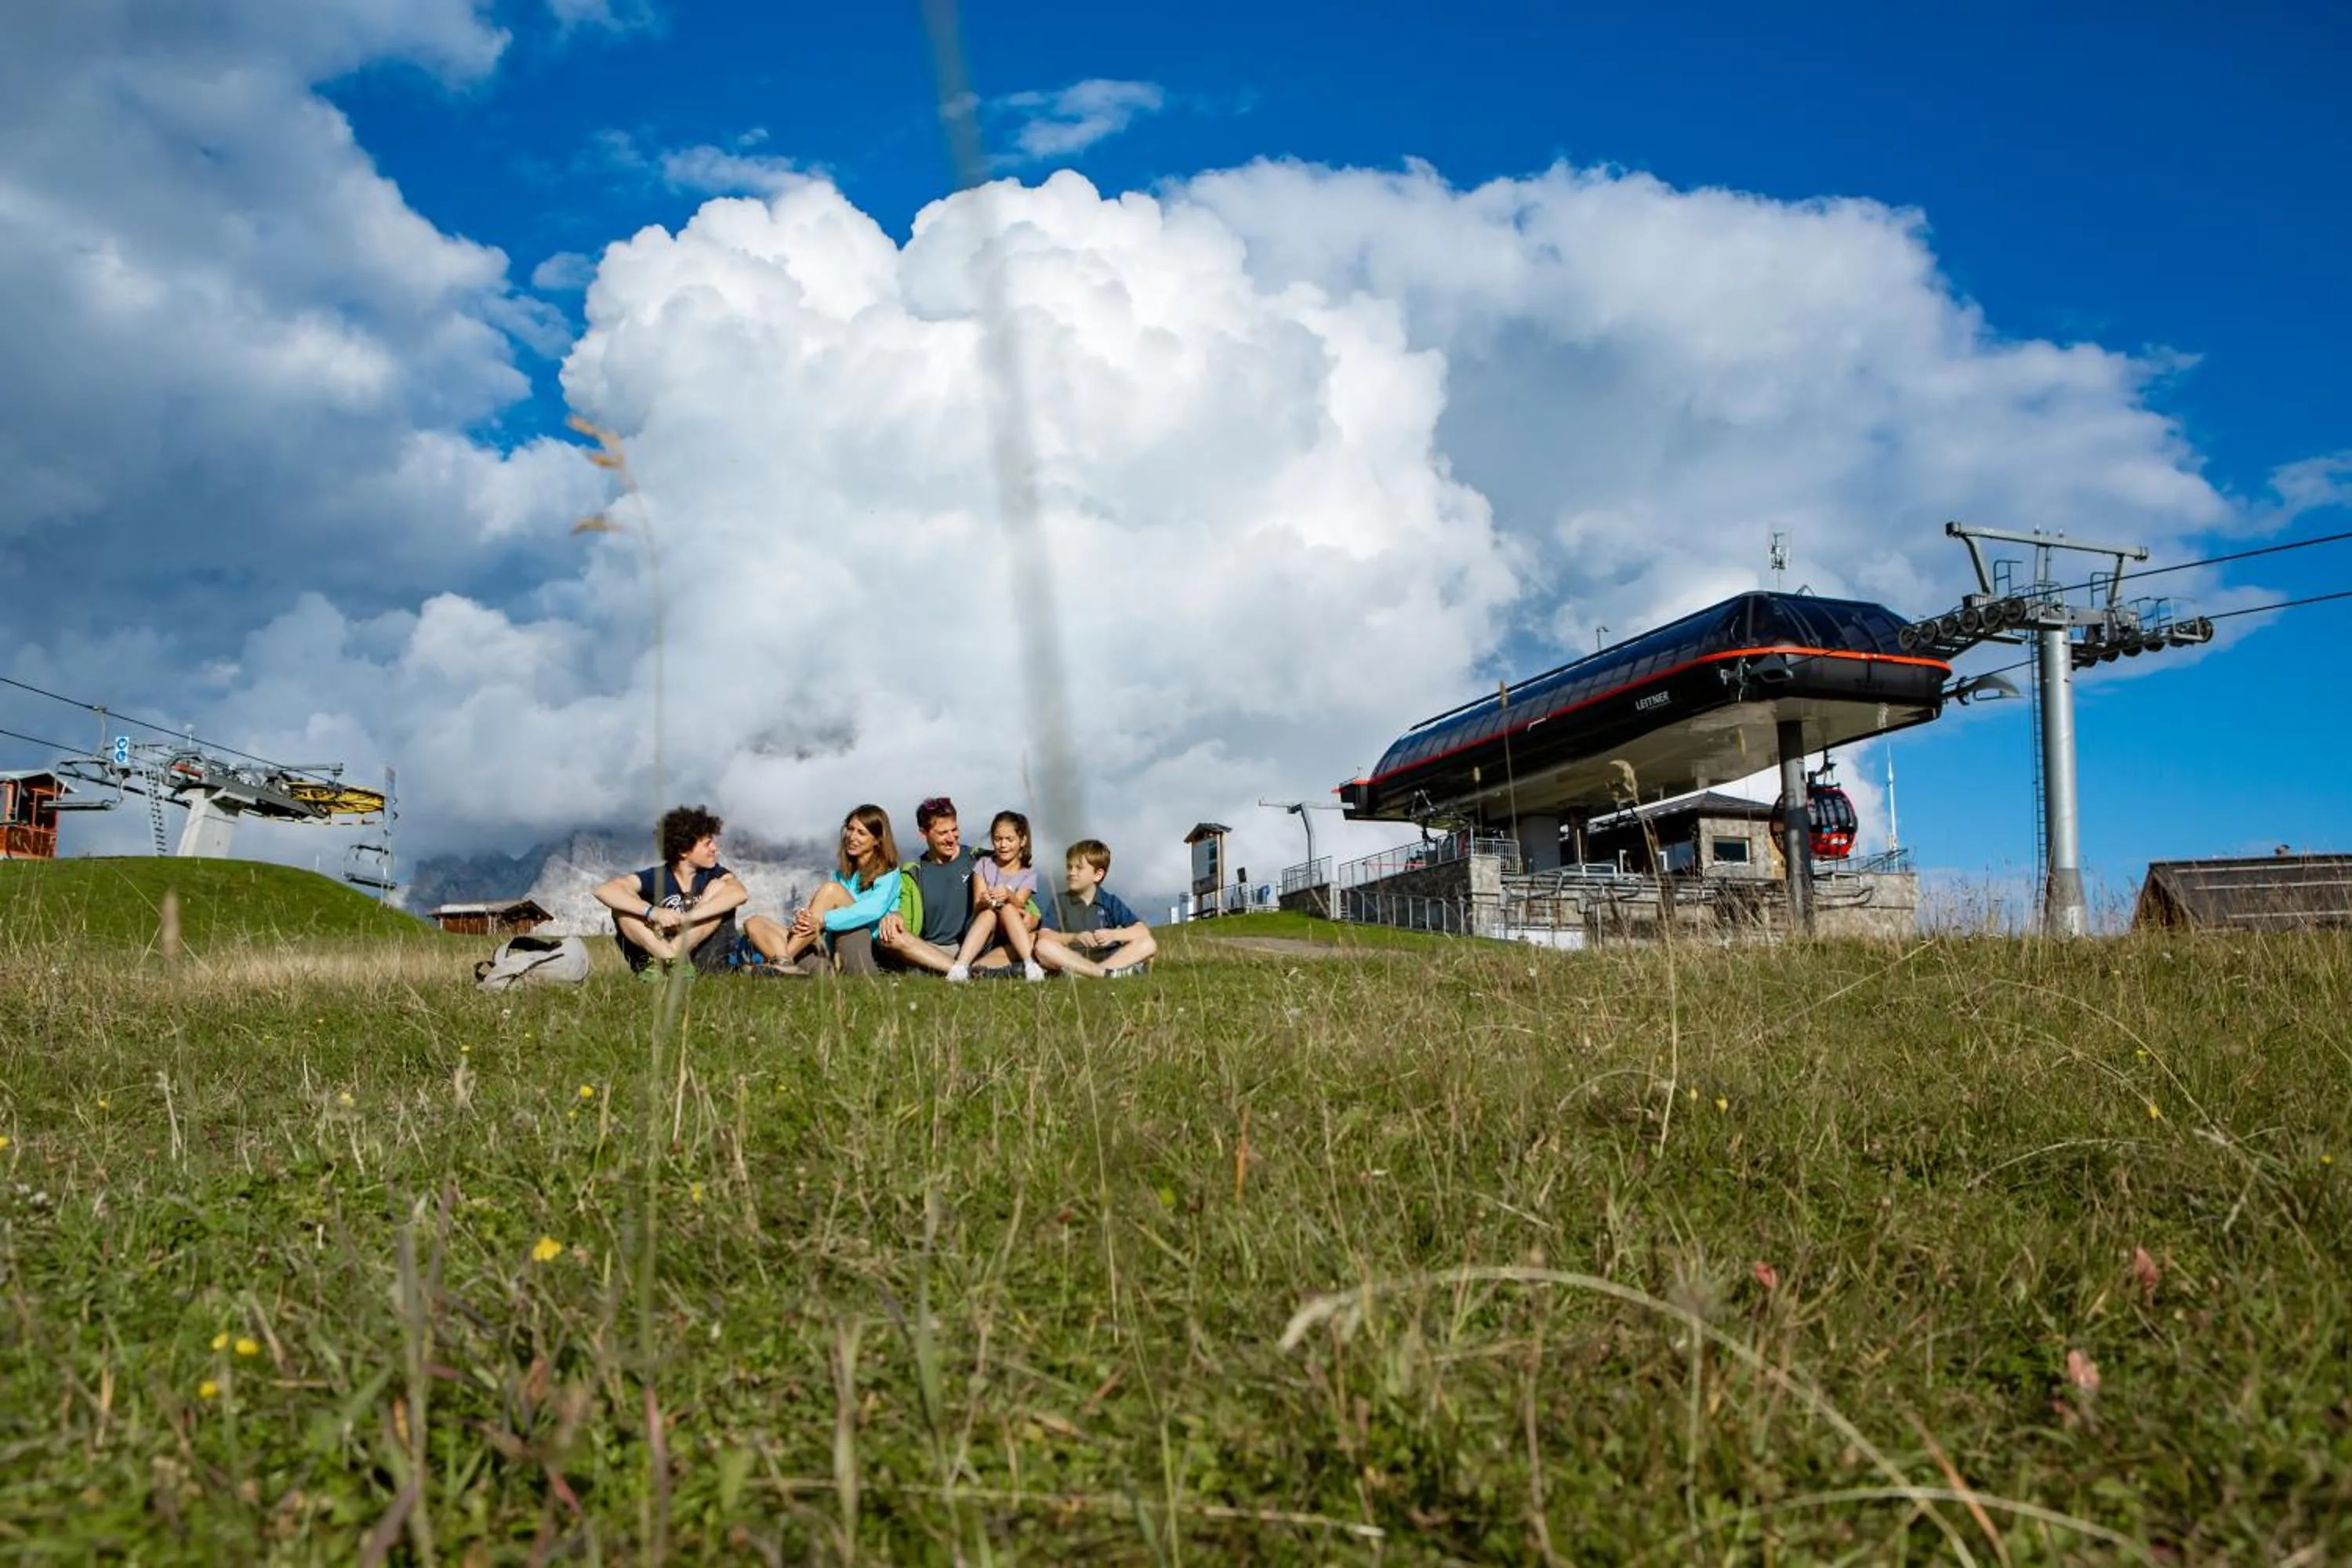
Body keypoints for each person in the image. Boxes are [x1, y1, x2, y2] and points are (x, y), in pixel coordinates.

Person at [593, 804, 752, 979]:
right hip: (658, 963)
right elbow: (604, 891)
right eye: (707, 844)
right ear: (684, 851)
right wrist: (653, 912)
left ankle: (671, 957)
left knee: (719, 892)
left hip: (709, 960)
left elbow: (739, 894)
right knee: (622, 907)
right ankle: (670, 959)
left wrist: (687, 918)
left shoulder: (715, 875)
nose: (715, 848)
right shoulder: (657, 877)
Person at [752, 804, 902, 971]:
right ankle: (789, 966)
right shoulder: (842, 875)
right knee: (754, 923)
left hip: (866, 948)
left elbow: (874, 909)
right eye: (850, 829)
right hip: (834, 947)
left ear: (877, 840)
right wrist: (805, 921)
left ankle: (783, 960)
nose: (852, 837)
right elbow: (821, 916)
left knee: (831, 890)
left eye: (861, 833)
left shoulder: (889, 873)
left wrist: (823, 921)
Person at [874, 795, 980, 975]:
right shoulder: (913, 873)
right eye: (942, 833)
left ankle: (958, 969)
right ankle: (960, 971)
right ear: (923, 834)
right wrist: (895, 917)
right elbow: (906, 915)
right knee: (888, 937)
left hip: (971, 948)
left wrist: (1029, 913)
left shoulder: (977, 859)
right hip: (929, 949)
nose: (951, 838)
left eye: (954, 830)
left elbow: (1012, 884)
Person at [1035, 837, 1157, 978]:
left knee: (1148, 944)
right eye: (1069, 867)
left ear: (1097, 875)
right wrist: (1074, 938)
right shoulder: (1060, 901)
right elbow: (1044, 935)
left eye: (1079, 868)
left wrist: (1113, 934)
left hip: (1111, 958)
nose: (1071, 873)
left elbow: (1141, 931)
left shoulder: (1110, 902)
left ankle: (1092, 973)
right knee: (1042, 947)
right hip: (1073, 958)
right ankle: (1106, 974)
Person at [948, 810, 1047, 983]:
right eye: (998, 839)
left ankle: (1029, 965)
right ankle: (959, 967)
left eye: (1009, 840)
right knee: (989, 913)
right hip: (981, 926)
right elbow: (976, 906)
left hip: (1008, 930)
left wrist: (1008, 895)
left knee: (1008, 907)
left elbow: (1020, 904)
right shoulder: (983, 865)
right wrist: (986, 901)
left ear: (1022, 841)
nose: (1003, 845)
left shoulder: (1028, 874)